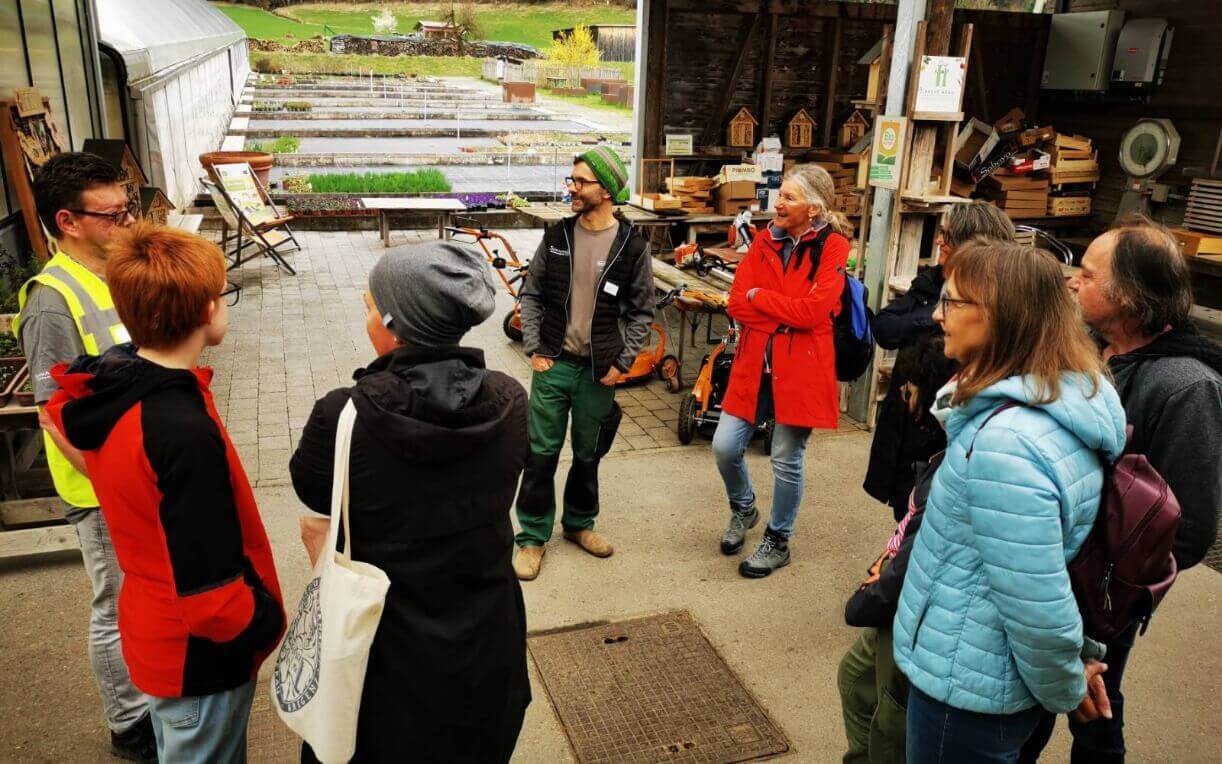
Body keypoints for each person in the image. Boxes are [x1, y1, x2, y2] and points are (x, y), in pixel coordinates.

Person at [45, 223, 285, 762]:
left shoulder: (114, 387)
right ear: (206, 311)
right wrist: (265, 620)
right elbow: (211, 597)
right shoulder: (178, 427)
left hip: (154, 625)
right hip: (198, 655)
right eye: (223, 294)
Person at [291, 241, 531, 763]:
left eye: (372, 305)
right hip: (485, 640)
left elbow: (314, 489)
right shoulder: (511, 399)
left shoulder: (343, 415)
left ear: (394, 323)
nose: (366, 309)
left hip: (381, 650)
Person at [892, 242, 1127, 762]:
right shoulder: (1063, 398)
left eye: (953, 303)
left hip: (968, 690)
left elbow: (1037, 606)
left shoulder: (1008, 444)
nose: (937, 314)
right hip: (985, 671)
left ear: (1000, 316)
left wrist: (1068, 686)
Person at [1021, 217, 1222, 763]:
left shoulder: (1187, 385)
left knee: (1095, 709)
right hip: (1046, 571)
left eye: (1086, 274)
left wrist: (1116, 592)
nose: (1070, 282)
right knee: (1029, 704)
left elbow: (1192, 527)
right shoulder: (1086, 348)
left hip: (1105, 593)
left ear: (1129, 296)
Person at [12, 152, 155, 761]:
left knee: (141, 592)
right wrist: (106, 472)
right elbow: (52, 408)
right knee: (115, 602)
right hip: (98, 486)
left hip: (138, 468)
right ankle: (129, 723)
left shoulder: (112, 273)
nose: (125, 222)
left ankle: (151, 692)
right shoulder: (51, 301)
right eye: (112, 214)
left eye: (128, 208)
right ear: (67, 221)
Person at [512, 147, 654, 581]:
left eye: (580, 181)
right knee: (540, 454)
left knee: (589, 454)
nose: (571, 187)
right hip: (553, 365)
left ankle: (579, 524)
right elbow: (531, 294)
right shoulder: (557, 236)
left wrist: (622, 362)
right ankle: (532, 537)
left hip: (599, 372)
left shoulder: (631, 246)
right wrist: (535, 347)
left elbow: (642, 311)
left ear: (606, 189)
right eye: (571, 180)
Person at [713, 164, 852, 578]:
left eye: (789, 197)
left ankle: (779, 539)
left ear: (813, 208)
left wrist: (763, 299)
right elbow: (737, 303)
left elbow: (815, 312)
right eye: (781, 195)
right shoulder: (763, 240)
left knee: (785, 457)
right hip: (754, 362)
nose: (778, 203)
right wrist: (781, 311)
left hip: (803, 368)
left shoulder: (833, 246)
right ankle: (745, 509)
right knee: (724, 447)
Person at [864, 201, 1014, 520]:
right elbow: (885, 327)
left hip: (940, 435)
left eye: (947, 235)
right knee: (906, 511)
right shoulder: (932, 282)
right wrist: (934, 318)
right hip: (907, 424)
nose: (938, 240)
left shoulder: (999, 309)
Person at [837, 363, 945, 764]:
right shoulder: (934, 457)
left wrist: (870, 597)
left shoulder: (963, 463)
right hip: (897, 593)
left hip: (911, 609)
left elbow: (921, 552)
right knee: (855, 679)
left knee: (892, 718)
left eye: (911, 394)